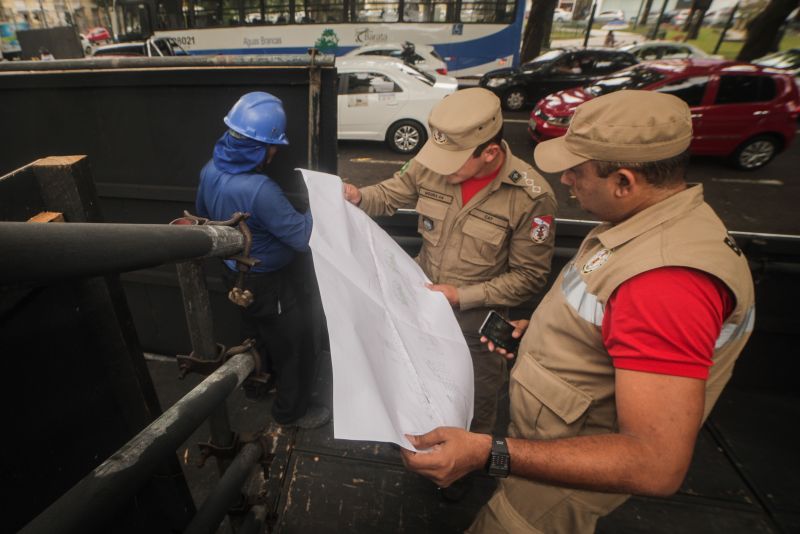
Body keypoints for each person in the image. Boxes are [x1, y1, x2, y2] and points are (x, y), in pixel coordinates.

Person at [400, 90, 755, 533]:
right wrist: (543, 333)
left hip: (556, 480)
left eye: (577, 170)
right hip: (547, 445)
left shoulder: (666, 282)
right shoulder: (639, 227)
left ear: (624, 181)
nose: (566, 180)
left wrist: (488, 453)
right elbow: (608, 321)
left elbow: (654, 463)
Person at [343, 88, 557, 440]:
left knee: (476, 401)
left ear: (489, 153)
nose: (439, 167)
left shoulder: (530, 197)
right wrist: (358, 196)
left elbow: (529, 278)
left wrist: (460, 296)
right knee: (419, 384)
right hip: (420, 308)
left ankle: (465, 470)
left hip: (477, 326)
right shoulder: (432, 164)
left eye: (452, 159)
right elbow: (389, 194)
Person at [196, 91, 330, 429]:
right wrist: (320, 200)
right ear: (256, 147)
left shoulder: (209, 170)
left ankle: (255, 386)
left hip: (234, 274)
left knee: (254, 334)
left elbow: (202, 214)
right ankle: (291, 413)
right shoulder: (260, 189)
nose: (274, 152)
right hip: (269, 283)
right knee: (293, 347)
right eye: (272, 146)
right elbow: (303, 239)